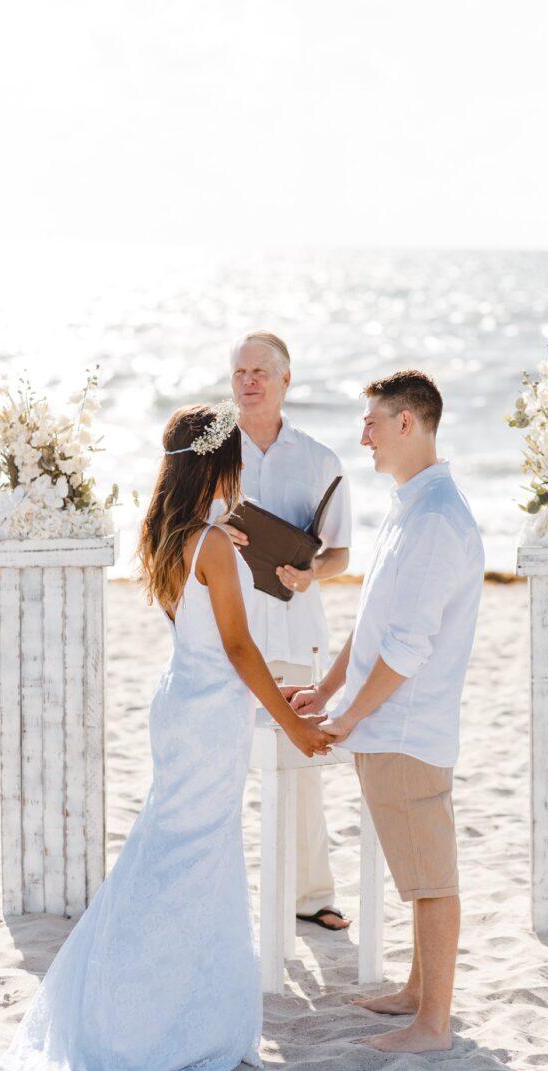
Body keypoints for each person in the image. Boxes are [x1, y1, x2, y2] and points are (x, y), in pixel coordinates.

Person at [0, 401, 331, 1071]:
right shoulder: (212, 544)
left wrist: (281, 688)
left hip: (184, 703)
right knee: (191, 859)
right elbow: (238, 649)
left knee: (175, 851)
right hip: (210, 717)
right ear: (220, 463)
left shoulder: (171, 533)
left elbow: (216, 642)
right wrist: (291, 725)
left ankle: (168, 1004)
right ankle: (157, 1018)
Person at [287, 370, 484, 1053]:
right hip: (387, 721)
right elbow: (373, 626)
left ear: (408, 424)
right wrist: (328, 692)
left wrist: (346, 718)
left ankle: (432, 1026)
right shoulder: (411, 506)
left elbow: (407, 648)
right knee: (419, 868)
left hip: (407, 725)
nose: (363, 436)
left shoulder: (434, 519)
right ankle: (414, 993)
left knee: (431, 879)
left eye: (373, 422)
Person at [219, 331, 353, 933]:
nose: (248, 381)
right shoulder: (210, 453)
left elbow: (342, 554)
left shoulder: (321, 460)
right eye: (240, 371)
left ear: (285, 380)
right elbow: (177, 536)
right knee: (220, 763)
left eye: (260, 372)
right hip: (227, 632)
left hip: (298, 631)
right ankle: (219, 894)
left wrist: (310, 572)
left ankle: (311, 896)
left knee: (301, 765)